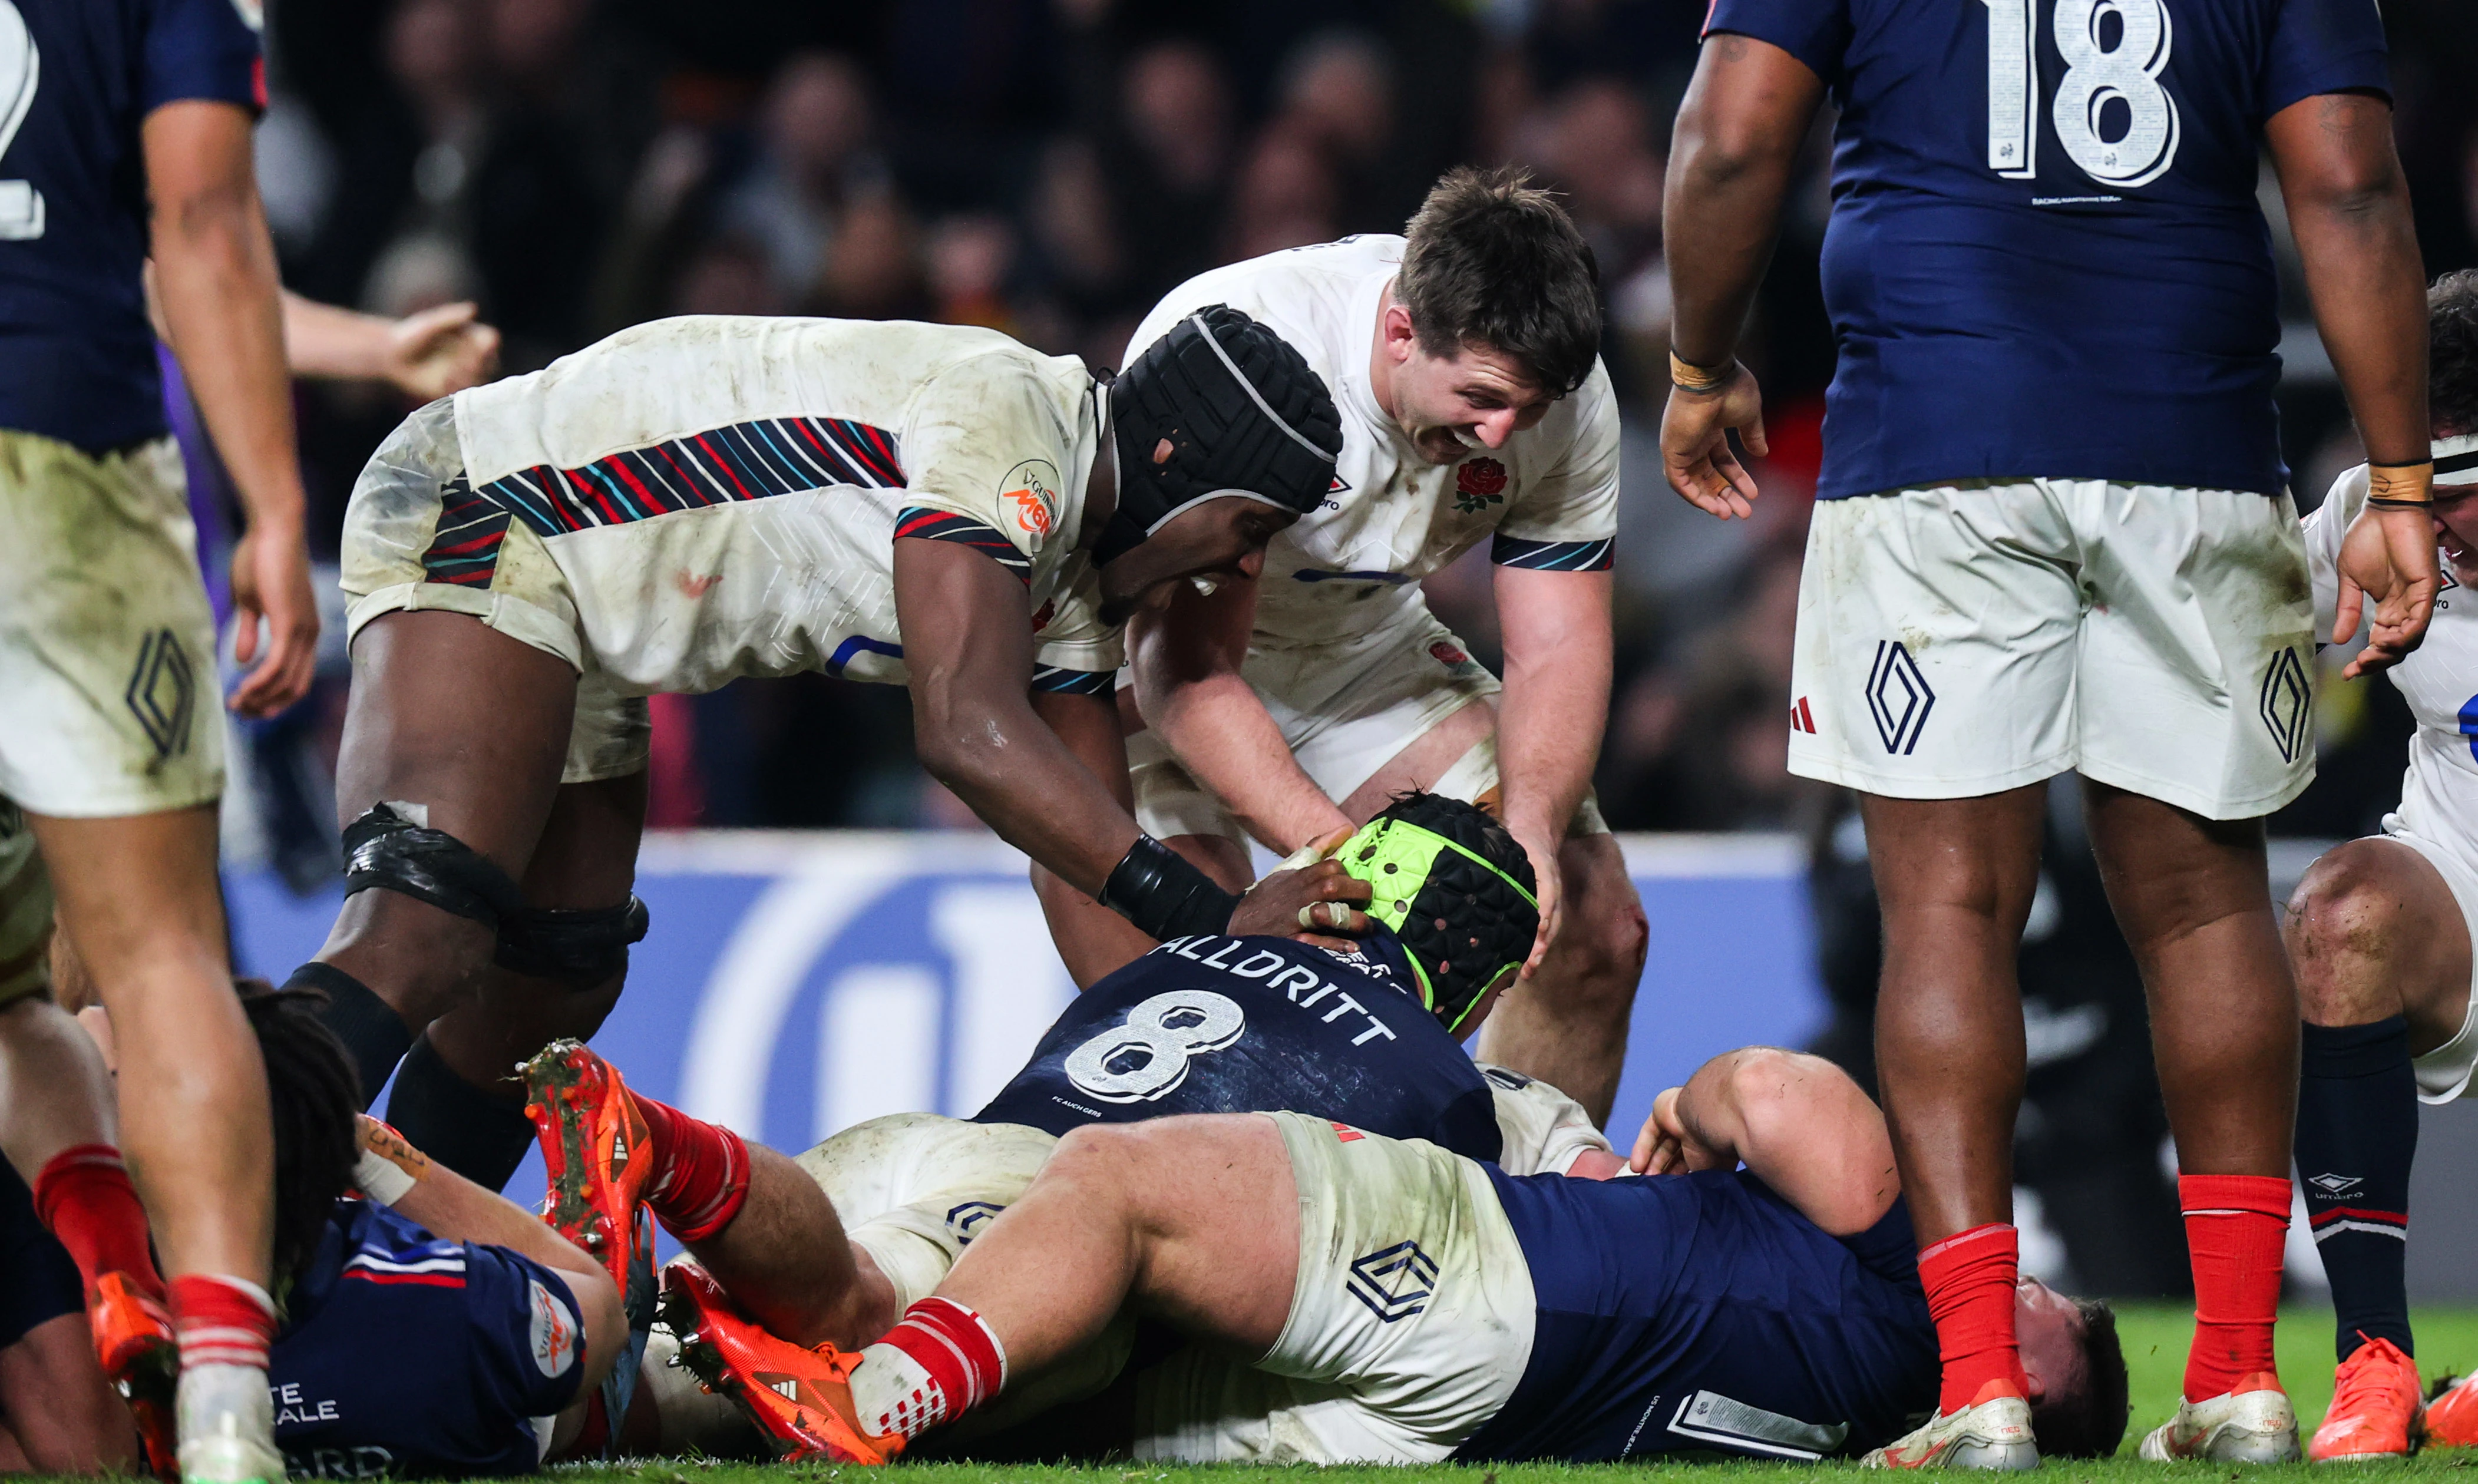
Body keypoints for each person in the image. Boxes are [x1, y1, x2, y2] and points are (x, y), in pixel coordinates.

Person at [1658, 0, 2438, 1463]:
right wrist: (2396, 480)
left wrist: (1701, 365)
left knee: (1943, 906)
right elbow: (2346, 180)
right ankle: (2234, 1378)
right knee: (2206, 904)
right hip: (2191, 440)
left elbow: (1728, 139)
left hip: (1932, 444)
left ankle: (1976, 1388)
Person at [285, 306, 1373, 1195]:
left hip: (584, 597)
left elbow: (1085, 863)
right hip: (492, 505)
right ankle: (197, 1245)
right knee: (424, 931)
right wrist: (1218, 913)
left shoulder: (1072, 575)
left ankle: (392, 1264)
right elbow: (967, 727)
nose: (1238, 574)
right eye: (1247, 530)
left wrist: (1223, 1041)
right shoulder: (1016, 416)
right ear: (1175, 463)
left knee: (551, 984)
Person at [523, 795, 1618, 1457]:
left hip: (927, 1145)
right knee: (858, 1322)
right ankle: (654, 1141)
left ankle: (514, 1218)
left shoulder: (1190, 952)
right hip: (1040, 1227)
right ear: (1481, 990)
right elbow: (1604, 1229)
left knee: (605, 1404)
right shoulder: (1454, 1089)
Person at [675, 1044, 2125, 1466]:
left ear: (2023, 1381)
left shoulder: (1894, 1296)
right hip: (1465, 1411)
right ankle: (695, 1390)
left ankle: (875, 1394)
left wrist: (1687, 1103)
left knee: (1114, 1181)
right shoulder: (1859, 1416)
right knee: (1080, 1400)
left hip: (1499, 1269)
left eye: (2031, 1302)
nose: (1997, 1277)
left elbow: (1792, 1093)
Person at [1066, 165, 1649, 1123]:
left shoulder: (1559, 390)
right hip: (1140, 671)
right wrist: (1350, 858)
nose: (1503, 432)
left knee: (1587, 920)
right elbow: (1184, 670)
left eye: (1529, 411)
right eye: (1482, 396)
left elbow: (1557, 649)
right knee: (1211, 1038)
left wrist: (1533, 832)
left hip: (1350, 644)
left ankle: (1530, 1224)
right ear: (1398, 332)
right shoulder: (1249, 352)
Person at [1, 0, 323, 1475]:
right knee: (154, 953)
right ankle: (221, 1406)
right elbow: (199, 213)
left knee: (21, 985)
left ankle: (104, 1295)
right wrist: (268, 508)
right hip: (64, 454)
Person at [67, 983, 627, 1477]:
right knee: (609, 1378)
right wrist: (370, 1146)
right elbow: (598, 1306)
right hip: (500, 1377)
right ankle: (679, 1158)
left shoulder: (80, 1319)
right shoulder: (438, 1298)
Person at [2284, 270, 2478, 1461]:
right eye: (2423, 483)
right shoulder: (2376, 505)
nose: (2437, 524)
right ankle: (2376, 1366)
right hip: (2462, 880)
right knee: (2340, 913)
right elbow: (2220, 615)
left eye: (2461, 490)